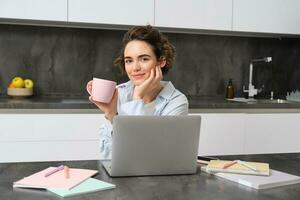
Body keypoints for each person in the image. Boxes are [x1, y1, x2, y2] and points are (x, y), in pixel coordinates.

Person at [87, 25, 188, 159]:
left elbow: (147, 157)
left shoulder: (176, 102)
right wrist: (111, 114)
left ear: (161, 61)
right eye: (129, 61)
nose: (135, 68)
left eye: (144, 59)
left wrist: (137, 98)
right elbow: (109, 157)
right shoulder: (120, 94)